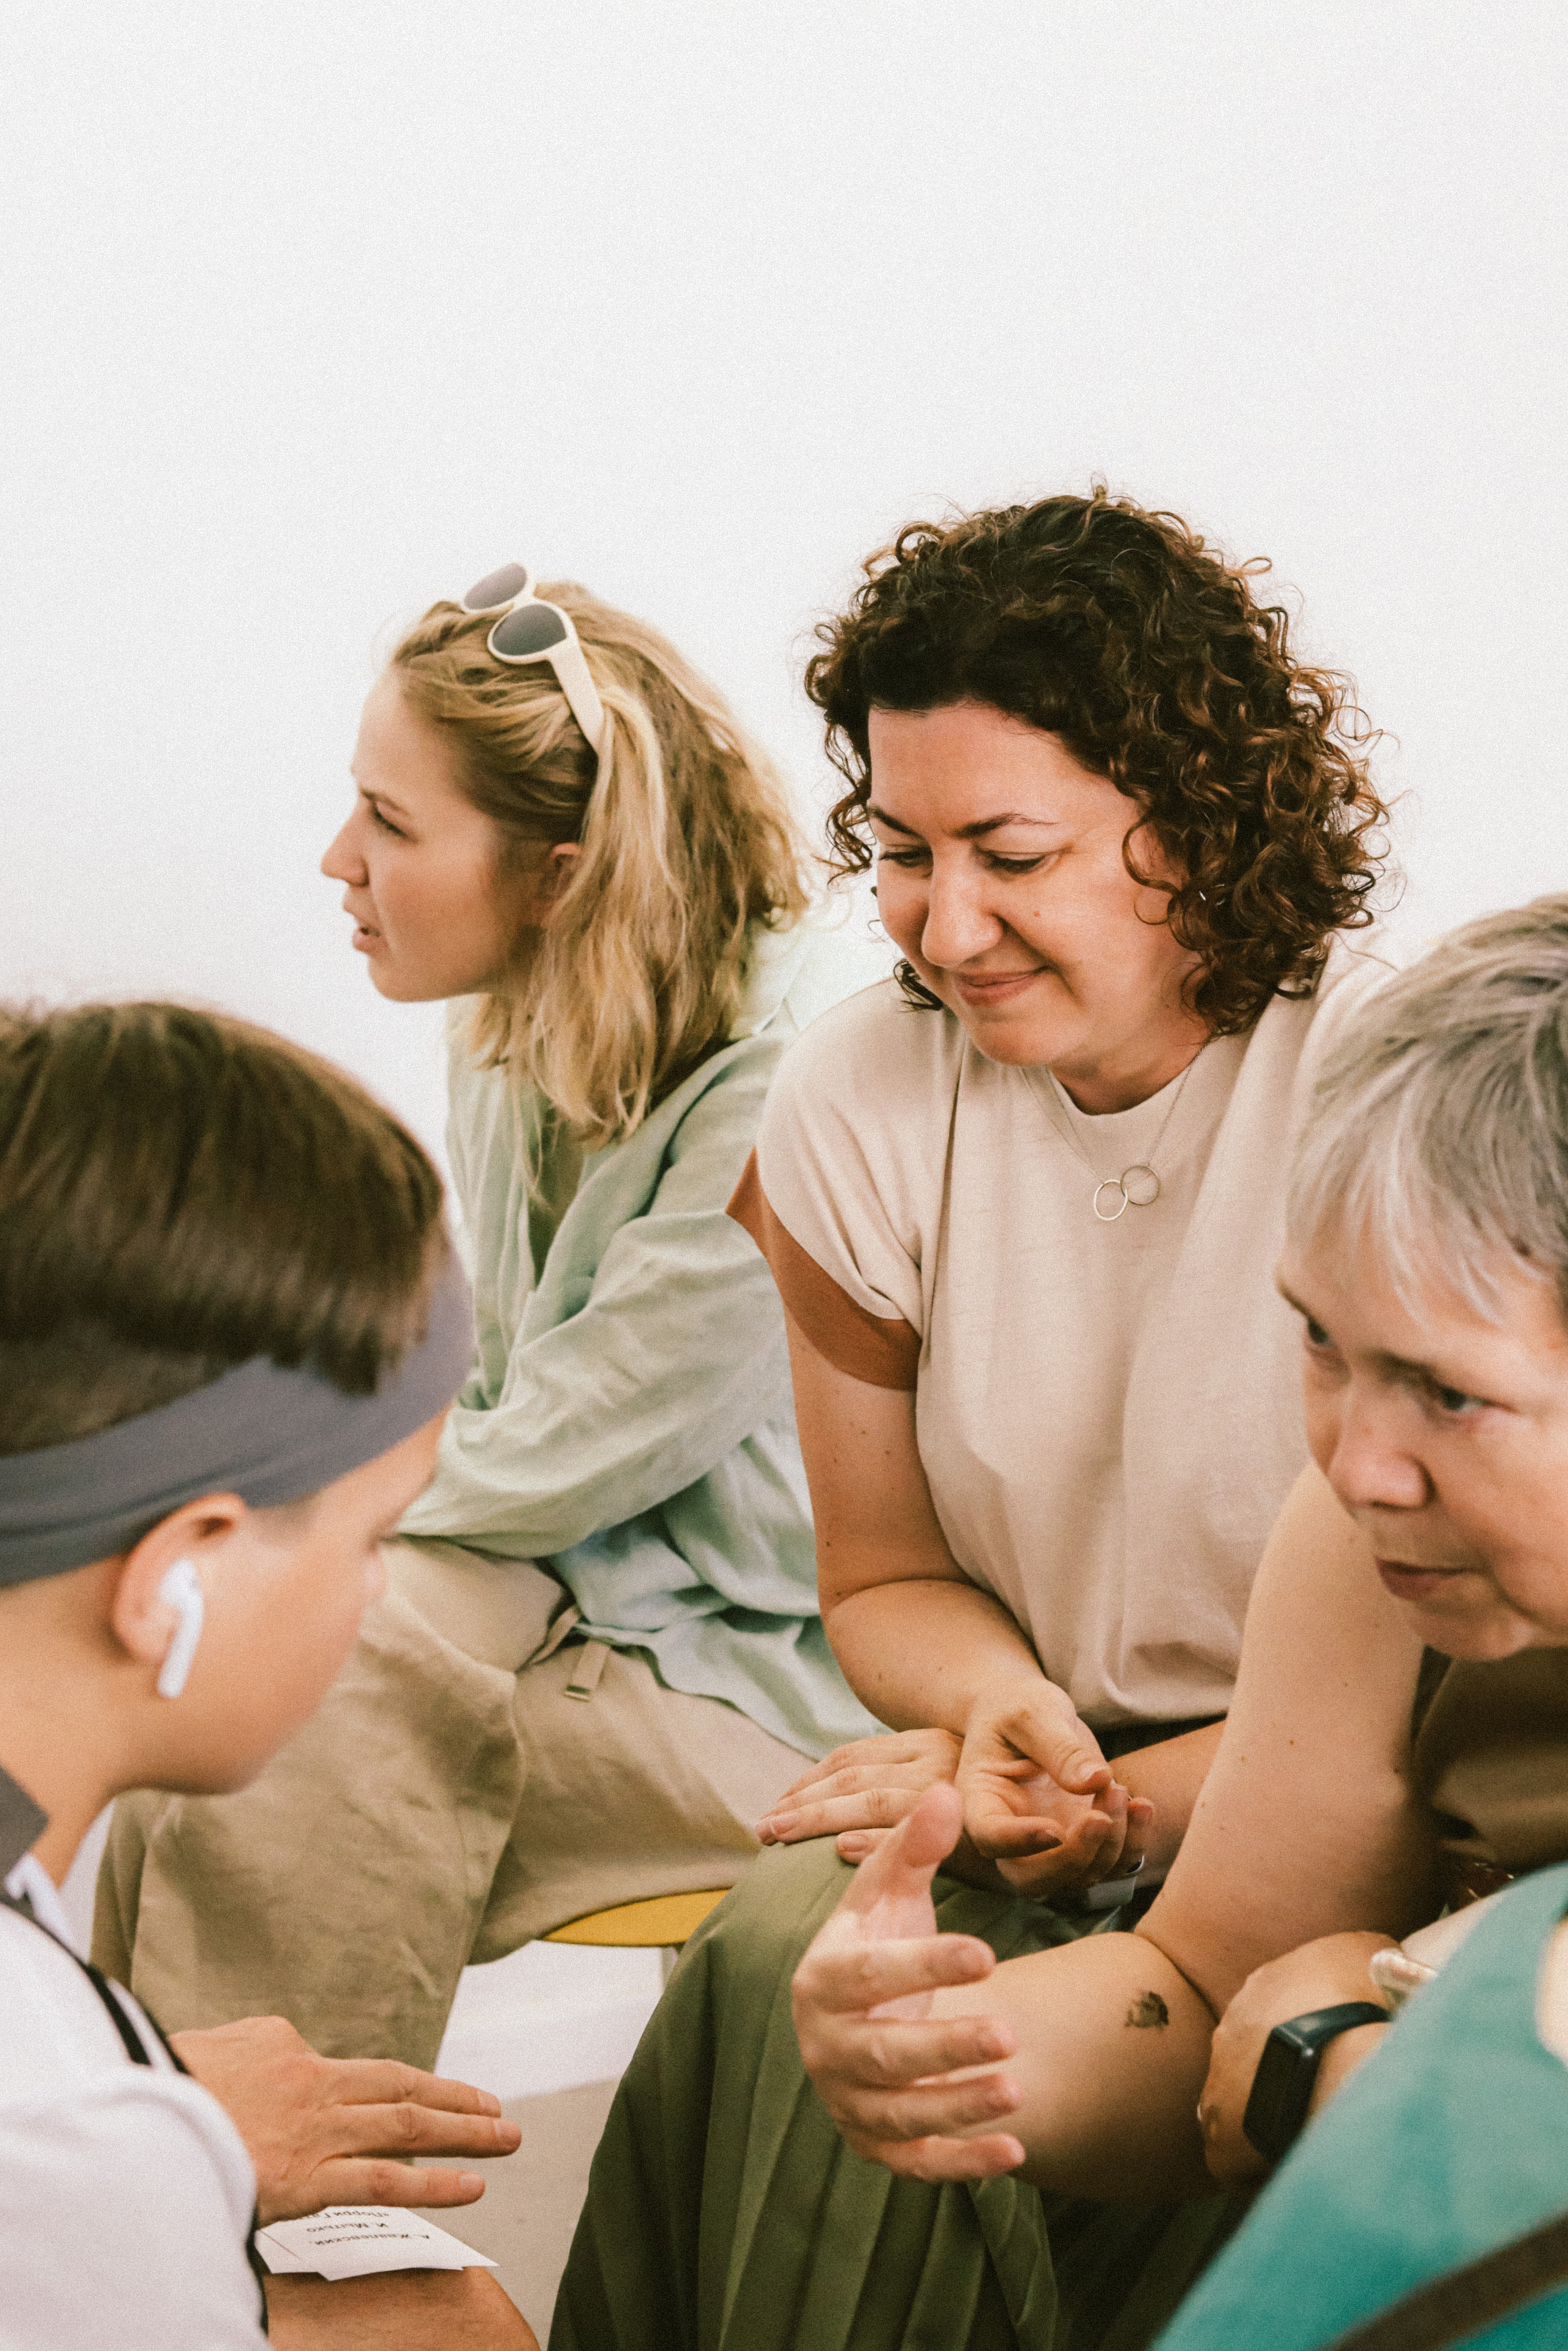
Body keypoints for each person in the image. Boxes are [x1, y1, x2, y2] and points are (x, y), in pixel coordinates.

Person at [552, 488, 1393, 2351]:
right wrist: (998, 1719)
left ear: (1201, 812)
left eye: (1008, 851)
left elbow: (1433, 1682)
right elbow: (883, 1572)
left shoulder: (1378, 1101)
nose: (945, 920)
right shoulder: (854, 1097)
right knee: (795, 1954)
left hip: (1332, 1799)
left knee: (944, 2036)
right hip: (1027, 1771)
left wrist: (1117, 1804)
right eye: (905, 848)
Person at [96, 567, 886, 2067]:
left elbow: (560, 1455)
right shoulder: (515, 1003)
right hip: (584, 1567)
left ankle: (302, 2227)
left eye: (392, 825)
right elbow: (511, 1398)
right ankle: (151, 2176)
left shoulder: (790, 1082)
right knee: (203, 1678)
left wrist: (286, 1495)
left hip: (762, 1659)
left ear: (560, 871)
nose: (339, 858)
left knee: (302, 1719)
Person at [793, 900, 1568, 2351]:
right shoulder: (1369, 1539)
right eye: (1318, 1344)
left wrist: (1344, 2059)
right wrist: (957, 2051)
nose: (1352, 1461)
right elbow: (1195, 1980)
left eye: (1447, 1390)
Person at [0, 1000, 531, 2349]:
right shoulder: (65, 2140)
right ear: (181, 1569)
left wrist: (158, 2085)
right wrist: (144, 2136)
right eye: (377, 1534)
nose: (378, 1590)